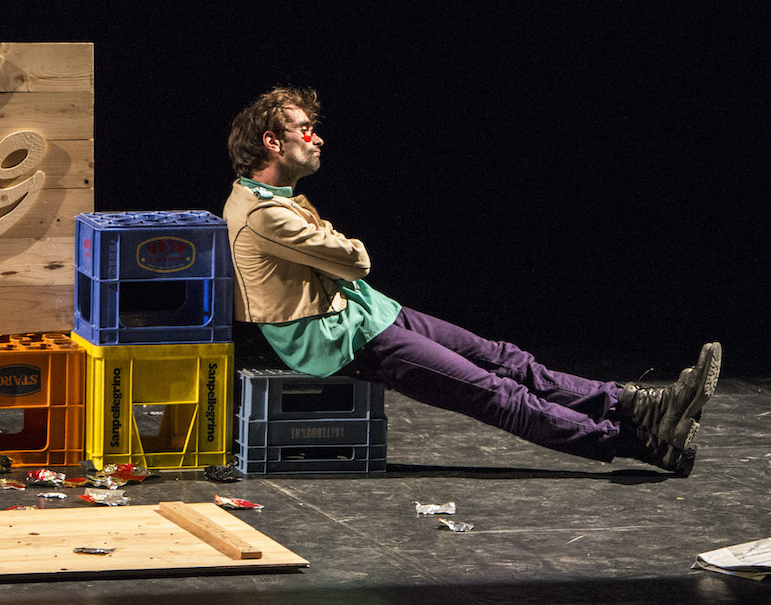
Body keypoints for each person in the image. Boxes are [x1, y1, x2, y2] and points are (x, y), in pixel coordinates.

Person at [222, 87, 719, 475]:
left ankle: (641, 404)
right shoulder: (265, 214)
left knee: (506, 359)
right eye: (305, 130)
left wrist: (334, 248)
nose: (316, 139)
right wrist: (339, 247)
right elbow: (356, 260)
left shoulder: (273, 197)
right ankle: (644, 443)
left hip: (365, 311)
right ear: (272, 142)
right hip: (337, 338)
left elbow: (340, 260)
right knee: (494, 392)